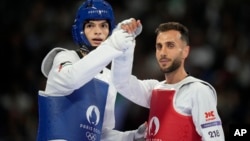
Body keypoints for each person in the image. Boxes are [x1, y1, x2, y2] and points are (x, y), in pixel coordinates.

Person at [36, 0, 146, 140]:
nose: (98, 31)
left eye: (104, 26)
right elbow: (72, 79)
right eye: (90, 25)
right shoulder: (64, 58)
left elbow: (101, 134)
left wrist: (133, 136)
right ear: (80, 30)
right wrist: (114, 44)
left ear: (110, 31)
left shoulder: (108, 78)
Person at [112, 22, 225, 141]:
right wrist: (125, 39)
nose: (163, 52)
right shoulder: (154, 89)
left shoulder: (198, 90)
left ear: (185, 51)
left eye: (170, 45)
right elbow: (121, 82)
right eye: (159, 46)